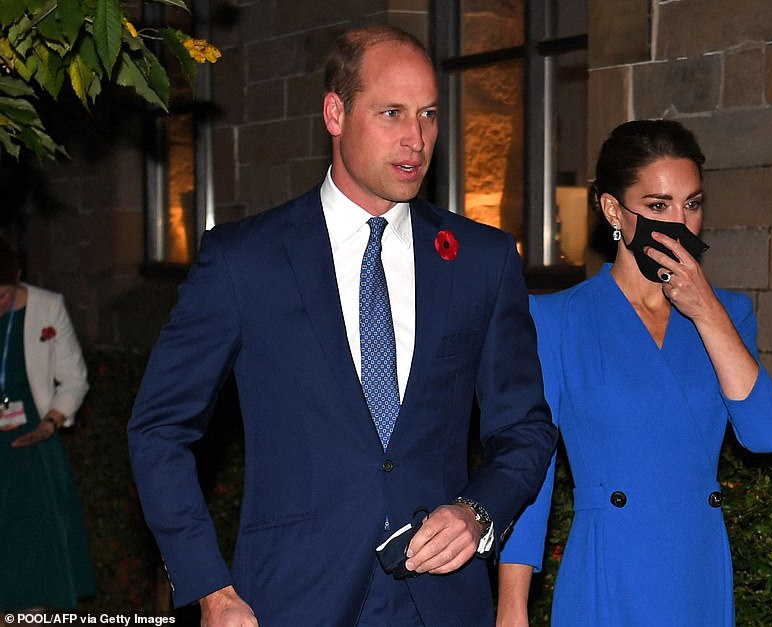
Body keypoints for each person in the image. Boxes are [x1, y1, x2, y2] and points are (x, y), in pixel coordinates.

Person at [127, 24, 556, 627]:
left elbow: (526, 429)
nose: (416, 139)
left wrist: (479, 513)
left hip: (442, 600)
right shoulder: (245, 260)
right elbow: (159, 430)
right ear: (335, 112)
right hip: (290, 599)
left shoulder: (481, 259)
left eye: (429, 115)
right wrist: (210, 588)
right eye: (391, 113)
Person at [496, 119, 772, 626]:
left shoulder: (730, 315)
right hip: (608, 567)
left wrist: (707, 313)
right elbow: (533, 471)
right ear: (614, 209)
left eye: (692, 204)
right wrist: (512, 605)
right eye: (658, 206)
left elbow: (767, 436)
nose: (680, 223)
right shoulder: (556, 320)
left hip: (695, 568)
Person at [0, 238, 94, 613]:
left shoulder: (47, 307)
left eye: (3, 294)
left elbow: (74, 378)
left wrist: (52, 421)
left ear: (17, 279)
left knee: (33, 549)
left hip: (32, 441)